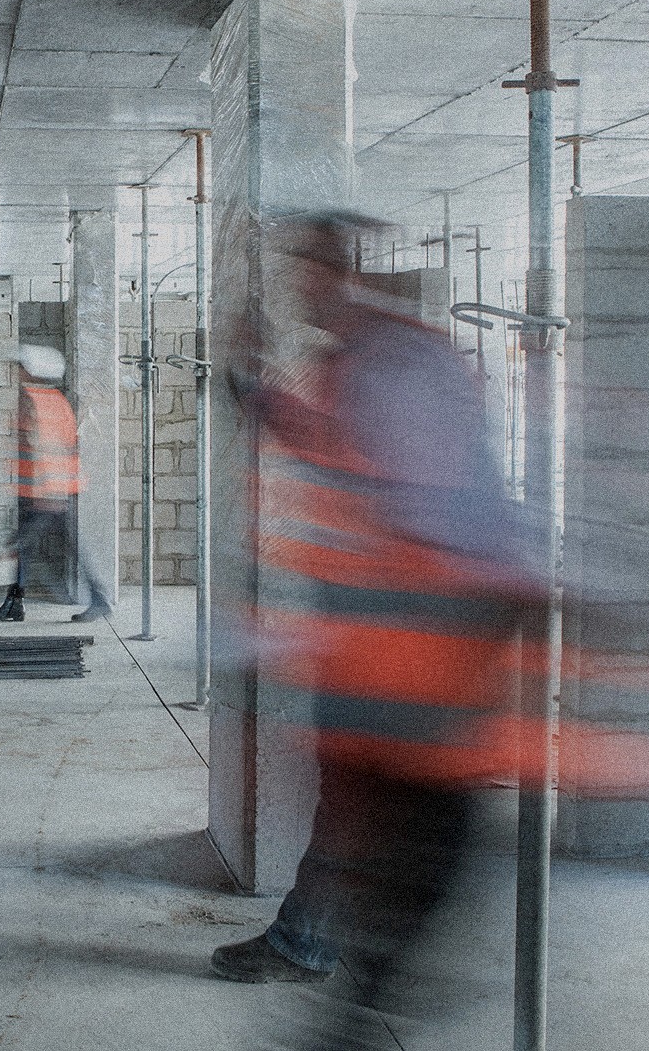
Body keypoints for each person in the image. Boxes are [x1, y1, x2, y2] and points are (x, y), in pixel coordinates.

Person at [206, 212, 539, 1033]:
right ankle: (327, 959)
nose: (292, 290)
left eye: (302, 271)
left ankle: (351, 983)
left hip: (422, 648)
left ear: (338, 268)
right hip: (374, 645)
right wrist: (255, 389)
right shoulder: (352, 360)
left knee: (415, 834)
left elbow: (426, 506)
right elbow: (337, 453)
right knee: (366, 811)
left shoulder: (395, 362)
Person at [0, 345, 111, 623]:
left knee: (30, 547)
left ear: (33, 371)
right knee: (42, 548)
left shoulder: (33, 400)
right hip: (53, 491)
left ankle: (98, 598)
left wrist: (46, 494)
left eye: (21, 367)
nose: (16, 371)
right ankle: (17, 603)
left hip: (45, 494)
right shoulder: (56, 400)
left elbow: (42, 446)